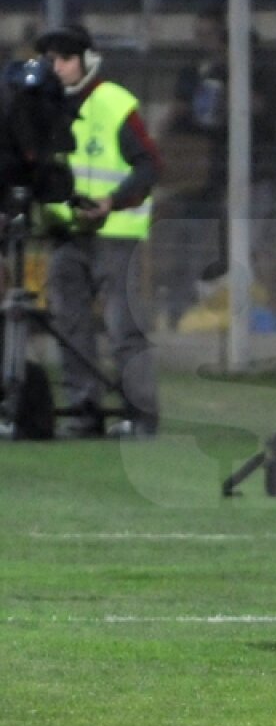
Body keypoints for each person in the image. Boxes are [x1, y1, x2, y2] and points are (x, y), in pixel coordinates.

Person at [36, 25, 161, 438]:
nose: (56, 68)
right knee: (70, 325)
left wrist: (112, 202)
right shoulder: (42, 106)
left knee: (123, 326)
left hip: (115, 231)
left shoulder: (114, 102)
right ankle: (82, 410)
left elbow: (149, 165)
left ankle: (139, 415)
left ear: (87, 60)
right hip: (67, 233)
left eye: (65, 59)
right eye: (50, 60)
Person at [159, 7, 276, 329]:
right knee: (207, 246)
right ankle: (206, 308)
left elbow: (269, 109)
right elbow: (182, 116)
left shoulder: (259, 67)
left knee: (251, 243)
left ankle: (256, 315)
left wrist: (234, 88)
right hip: (212, 174)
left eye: (212, 37)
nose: (207, 44)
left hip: (258, 169)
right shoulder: (201, 70)